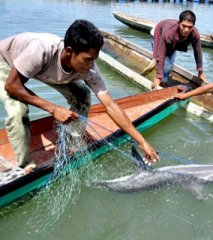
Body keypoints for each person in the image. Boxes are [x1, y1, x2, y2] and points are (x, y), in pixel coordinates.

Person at [0, 19, 159, 170]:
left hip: (44, 71)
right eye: (87, 59)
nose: (91, 66)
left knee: (82, 95)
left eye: (94, 60)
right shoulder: (41, 50)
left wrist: (142, 142)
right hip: (7, 62)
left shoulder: (89, 69)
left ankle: (72, 140)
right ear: (69, 52)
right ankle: (25, 165)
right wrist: (53, 109)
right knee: (18, 112)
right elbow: (12, 86)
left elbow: (110, 105)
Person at [150, 10, 206, 89]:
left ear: (193, 26)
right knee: (164, 62)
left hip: (174, 39)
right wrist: (158, 76)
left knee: (169, 63)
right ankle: (161, 83)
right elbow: (161, 54)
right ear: (179, 23)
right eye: (184, 26)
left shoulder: (195, 34)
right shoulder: (168, 33)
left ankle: (163, 79)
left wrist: (200, 72)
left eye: (190, 27)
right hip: (158, 32)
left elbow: (198, 52)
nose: (186, 30)